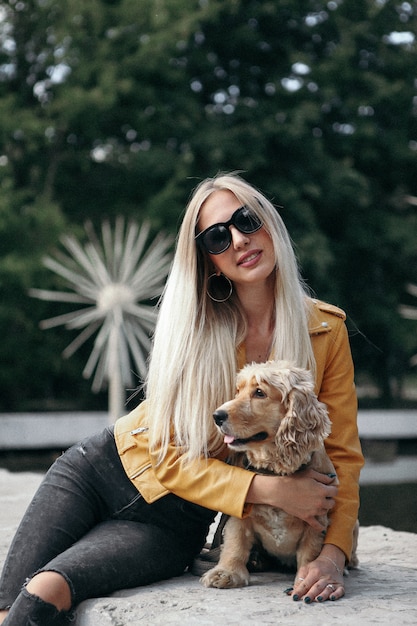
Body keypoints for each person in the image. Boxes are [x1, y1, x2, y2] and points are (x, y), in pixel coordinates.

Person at [0, 172, 364, 624]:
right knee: (3, 607)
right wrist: (268, 489)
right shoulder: (193, 328)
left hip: (173, 520)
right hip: (97, 468)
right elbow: (167, 457)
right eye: (216, 237)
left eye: (246, 220)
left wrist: (332, 555)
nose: (237, 240)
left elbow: (343, 457)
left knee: (44, 592)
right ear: (209, 260)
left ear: (270, 224)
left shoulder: (326, 331)